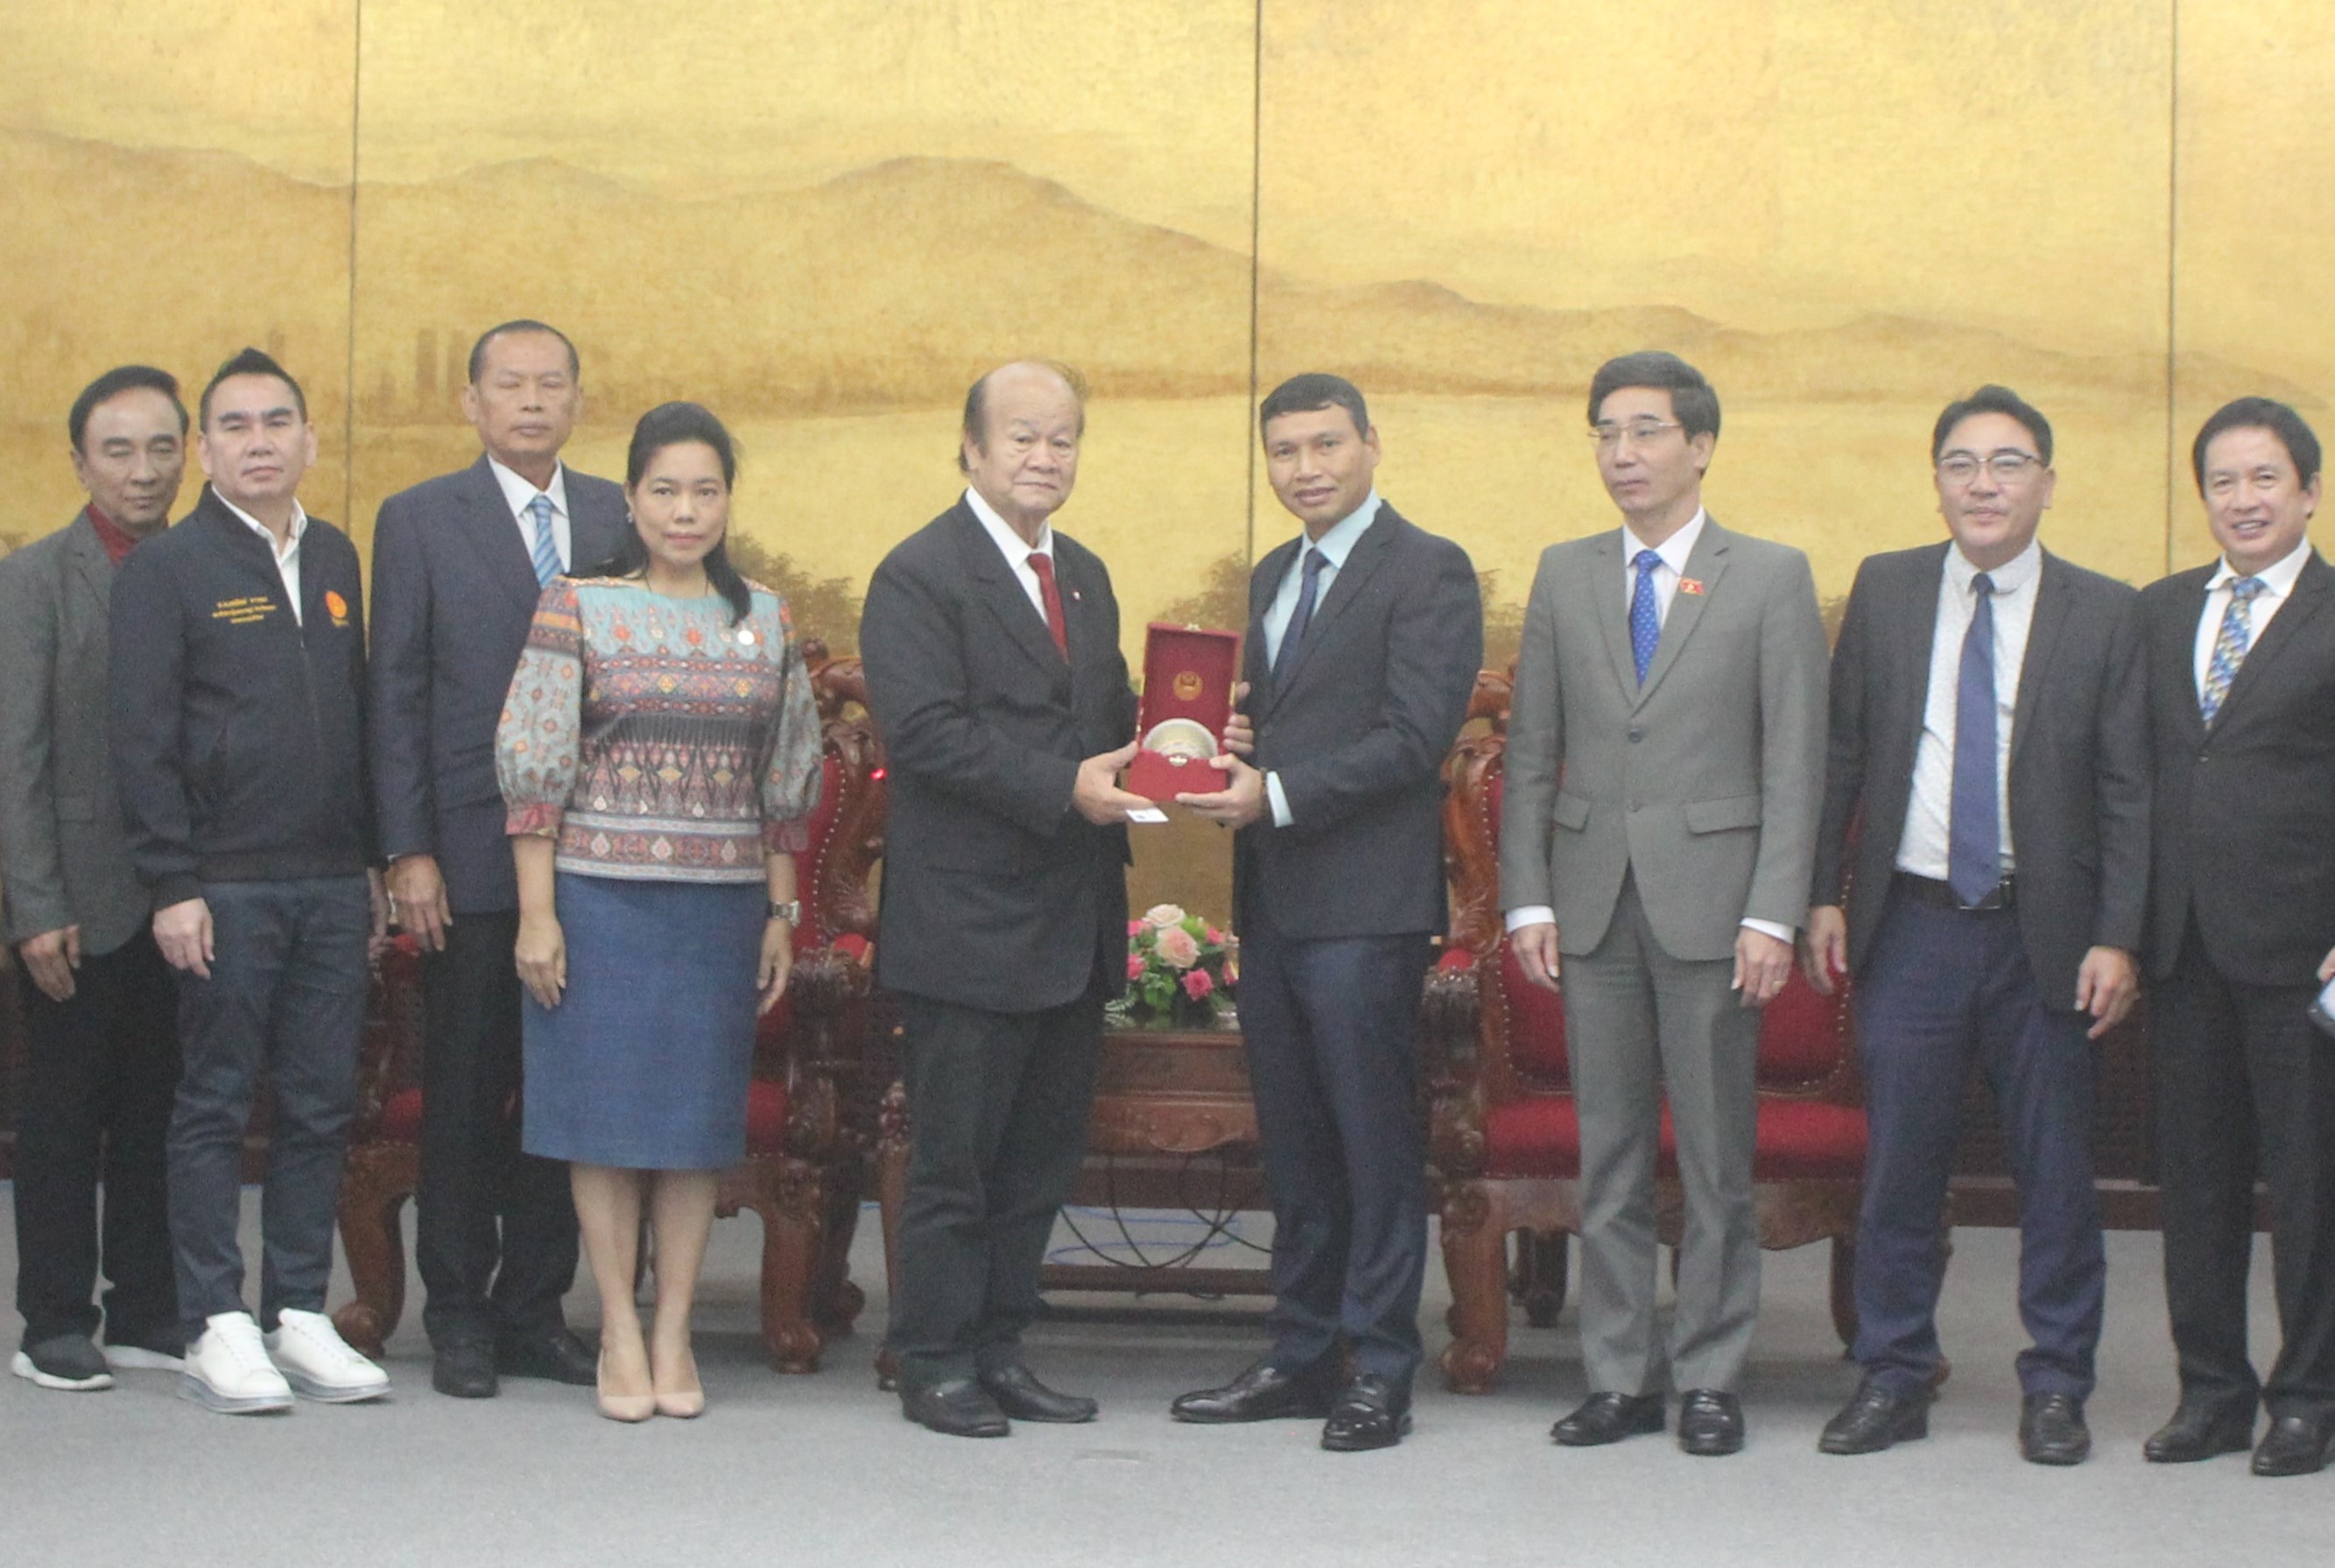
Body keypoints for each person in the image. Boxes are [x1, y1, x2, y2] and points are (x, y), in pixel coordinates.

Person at [1803, 386, 2148, 1465]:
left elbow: (2130, 787)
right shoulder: (1890, 589)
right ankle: (1893, 1373)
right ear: (1938, 479)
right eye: (1962, 463)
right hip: (1911, 926)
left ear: (2047, 480)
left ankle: (2056, 1385)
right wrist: (1823, 891)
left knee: (2054, 1171)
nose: (1984, 483)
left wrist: (2120, 934)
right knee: (1901, 1164)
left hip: (2046, 932)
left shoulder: (2104, 609)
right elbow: (1844, 753)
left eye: (2008, 463)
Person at [1499, 350, 1827, 1456]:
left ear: (1700, 444)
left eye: (1644, 431)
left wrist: (1774, 912)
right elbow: (1532, 753)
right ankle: (1617, 1375)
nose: (1622, 453)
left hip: (1718, 908)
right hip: (1590, 905)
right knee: (1612, 1155)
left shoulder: (1769, 576)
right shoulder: (1564, 571)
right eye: (1605, 433)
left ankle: (1712, 1375)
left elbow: (1795, 764)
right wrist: (1526, 899)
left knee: (1720, 1160)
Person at [1170, 373, 1481, 1451]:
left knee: (1374, 1145)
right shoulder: (1272, 572)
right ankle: (1301, 1355)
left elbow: (1414, 736)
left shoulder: (1428, 569)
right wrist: (1236, 753)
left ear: (1371, 445)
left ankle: (1379, 1367)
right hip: (1278, 901)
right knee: (1296, 1149)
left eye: (1324, 446)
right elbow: (1283, 721)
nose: (1304, 468)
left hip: (1368, 908)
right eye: (1285, 452)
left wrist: (1282, 792)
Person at [495, 400, 822, 1422]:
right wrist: (536, 914)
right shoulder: (577, 604)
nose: (686, 511)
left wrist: (780, 910)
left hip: (719, 912)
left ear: (729, 500)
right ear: (631, 499)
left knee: (692, 1130)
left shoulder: (763, 617)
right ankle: (618, 1332)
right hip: (596, 905)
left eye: (706, 490)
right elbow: (535, 769)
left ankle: (675, 1327)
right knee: (602, 1127)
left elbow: (788, 778)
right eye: (665, 491)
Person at [860, 360, 1148, 1438]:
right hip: (968, 924)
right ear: (972, 449)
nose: (1045, 457)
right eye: (1023, 437)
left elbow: (1107, 715)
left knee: (1036, 1162)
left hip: (1072, 919)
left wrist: (1183, 743)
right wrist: (1062, 786)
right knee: (956, 1165)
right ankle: (932, 1358)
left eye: (1064, 439)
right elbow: (925, 735)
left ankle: (1000, 1346)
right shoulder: (919, 574)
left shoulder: (1086, 575)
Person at [109, 348, 390, 1413]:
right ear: (205, 450)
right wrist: (171, 881)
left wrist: (367, 862)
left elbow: (358, 721)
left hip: (327, 883)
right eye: (234, 425)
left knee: (319, 1102)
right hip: (221, 885)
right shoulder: (168, 570)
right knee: (216, 1103)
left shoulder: (338, 558)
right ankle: (218, 1320)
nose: (259, 440)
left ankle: (302, 1312)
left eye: (278, 420)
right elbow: (140, 740)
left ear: (309, 439)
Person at [369, 320, 625, 1399]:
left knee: (565, 1096)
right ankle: (459, 1314)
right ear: (471, 404)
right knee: (469, 1091)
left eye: (550, 384)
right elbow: (396, 694)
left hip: (599, 852)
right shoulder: (421, 519)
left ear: (575, 399)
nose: (530, 401)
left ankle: (536, 1309)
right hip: (469, 855)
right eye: (508, 385)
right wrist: (406, 849)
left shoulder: (619, 511)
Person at [2139, 397, 2335, 1477]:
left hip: (2305, 952)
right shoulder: (2161, 614)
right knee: (2198, 1184)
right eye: (2223, 480)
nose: (2243, 500)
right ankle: (2211, 1391)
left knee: (2310, 1188)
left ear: (2307, 490)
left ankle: (2309, 1397)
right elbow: (2133, 779)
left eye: (2265, 479)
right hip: (2185, 950)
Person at [0, 366, 191, 1391]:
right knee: (66, 1117)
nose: (143, 470)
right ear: (79, 462)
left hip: (185, 897)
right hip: (76, 901)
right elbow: (14, 760)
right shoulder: (33, 580)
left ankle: (148, 1306)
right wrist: (34, 907)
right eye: (118, 450)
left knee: (165, 1107)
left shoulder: (210, 566)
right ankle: (55, 1319)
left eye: (162, 447)